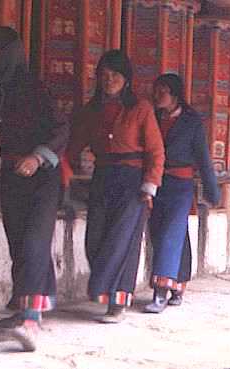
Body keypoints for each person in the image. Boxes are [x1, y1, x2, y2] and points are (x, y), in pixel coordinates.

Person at [0, 26, 69, 351]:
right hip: (12, 175)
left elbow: (61, 128)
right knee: (19, 243)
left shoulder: (32, 87)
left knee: (33, 242)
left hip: (41, 177)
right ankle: (27, 307)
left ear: (3, 52)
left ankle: (31, 320)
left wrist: (37, 156)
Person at [65, 50, 165, 323]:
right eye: (104, 75)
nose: (109, 80)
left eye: (116, 75)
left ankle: (117, 303)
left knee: (123, 240)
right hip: (102, 176)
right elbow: (74, 146)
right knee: (95, 237)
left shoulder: (141, 109)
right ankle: (102, 290)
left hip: (132, 180)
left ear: (126, 79)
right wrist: (65, 171)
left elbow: (156, 151)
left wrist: (150, 185)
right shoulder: (91, 111)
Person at [144, 73, 221, 313]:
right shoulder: (152, 117)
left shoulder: (191, 122)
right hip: (156, 184)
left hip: (180, 186)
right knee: (164, 234)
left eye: (163, 91)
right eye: (155, 91)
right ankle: (179, 284)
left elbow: (203, 159)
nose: (158, 96)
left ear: (175, 94)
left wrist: (212, 192)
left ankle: (160, 292)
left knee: (170, 233)